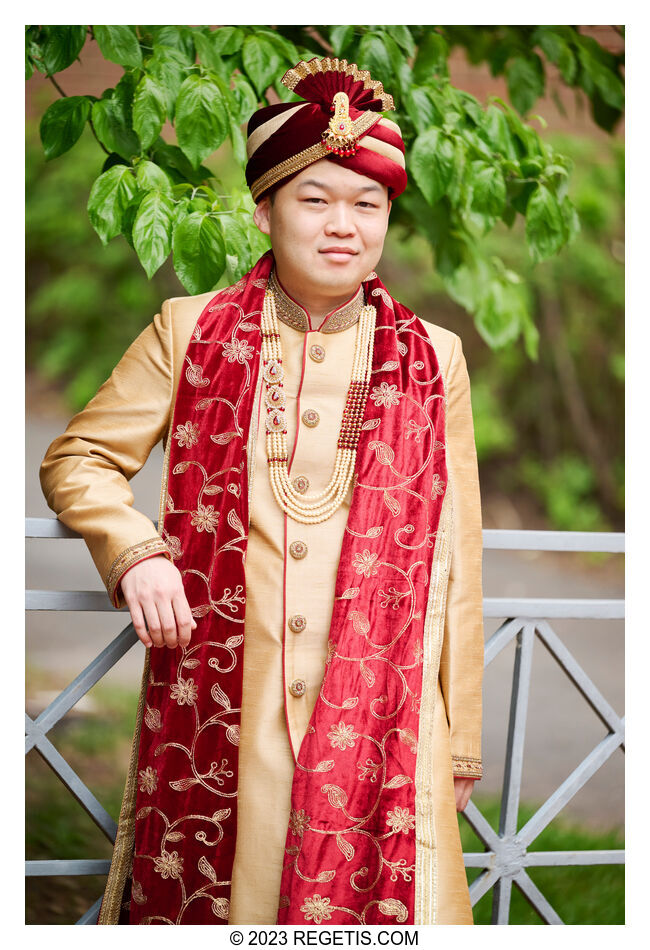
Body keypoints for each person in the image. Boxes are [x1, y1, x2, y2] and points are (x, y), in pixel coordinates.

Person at [40, 56, 484, 926]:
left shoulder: (435, 357)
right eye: (315, 200)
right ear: (263, 210)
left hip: (387, 722)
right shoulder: (190, 330)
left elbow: (457, 552)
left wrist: (457, 736)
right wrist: (135, 554)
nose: (343, 227)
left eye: (368, 205)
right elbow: (79, 457)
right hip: (230, 719)